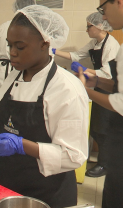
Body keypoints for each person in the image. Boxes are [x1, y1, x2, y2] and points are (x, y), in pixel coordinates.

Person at [0, 5, 89, 208]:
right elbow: (11, 125)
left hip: (47, 193)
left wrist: (21, 145)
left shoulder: (66, 88)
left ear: (45, 44)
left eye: (20, 47)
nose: (12, 53)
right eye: (9, 46)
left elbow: (73, 156)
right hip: (7, 187)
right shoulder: (13, 76)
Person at [54, 12, 119, 178]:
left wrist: (84, 70)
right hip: (97, 86)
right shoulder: (94, 43)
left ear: (98, 27)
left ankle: (104, 165)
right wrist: (54, 51)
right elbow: (76, 55)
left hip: (107, 88)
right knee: (96, 128)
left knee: (102, 129)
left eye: (89, 26)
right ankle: (103, 162)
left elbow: (107, 73)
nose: (86, 29)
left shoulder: (111, 44)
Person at [74, 0, 123, 206]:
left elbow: (121, 102)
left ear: (119, 3)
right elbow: (119, 85)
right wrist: (98, 81)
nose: (103, 17)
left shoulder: (113, 44)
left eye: (103, 10)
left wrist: (85, 90)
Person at [0, 0, 36, 103]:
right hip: (24, 71)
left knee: (0, 105)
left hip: (2, 71)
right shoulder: (34, 28)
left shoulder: (2, 27)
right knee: (20, 104)